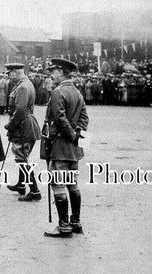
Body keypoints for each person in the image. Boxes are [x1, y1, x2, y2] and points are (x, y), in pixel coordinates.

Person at [42, 58, 89, 238]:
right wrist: (77, 135)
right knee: (73, 184)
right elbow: (84, 118)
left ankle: (64, 226)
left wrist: (69, 134)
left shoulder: (57, 92)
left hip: (60, 146)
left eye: (53, 72)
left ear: (61, 73)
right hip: (74, 148)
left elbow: (60, 118)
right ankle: (75, 222)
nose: (51, 75)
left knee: (58, 184)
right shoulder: (77, 91)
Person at [4, 63, 41, 201]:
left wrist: (10, 125)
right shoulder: (24, 84)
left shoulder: (23, 87)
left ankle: (35, 191)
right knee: (22, 156)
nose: (8, 76)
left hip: (23, 126)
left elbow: (20, 109)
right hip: (25, 124)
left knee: (21, 158)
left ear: (15, 72)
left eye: (9, 73)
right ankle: (21, 185)